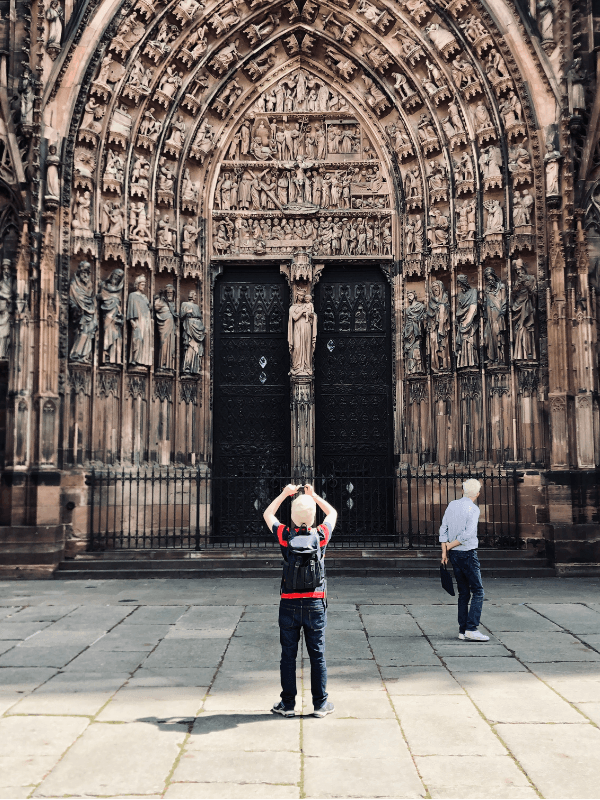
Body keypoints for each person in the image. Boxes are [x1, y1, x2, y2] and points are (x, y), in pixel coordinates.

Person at [263, 484, 337, 718]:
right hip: (315, 602)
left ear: (293, 517)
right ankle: (320, 704)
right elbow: (333, 513)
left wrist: (285, 494)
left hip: (289, 602)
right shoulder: (321, 536)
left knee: (288, 655)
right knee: (317, 654)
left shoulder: (285, 535)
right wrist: (314, 495)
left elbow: (267, 514)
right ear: (314, 516)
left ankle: (287, 704)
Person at [439, 478, 489, 642]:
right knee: (478, 591)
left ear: (462, 491)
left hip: (454, 554)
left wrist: (445, 551)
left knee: (463, 593)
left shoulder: (452, 504)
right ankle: (471, 628)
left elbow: (443, 527)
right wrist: (450, 546)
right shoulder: (473, 509)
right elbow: (468, 534)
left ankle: (462, 630)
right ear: (478, 494)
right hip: (467, 553)